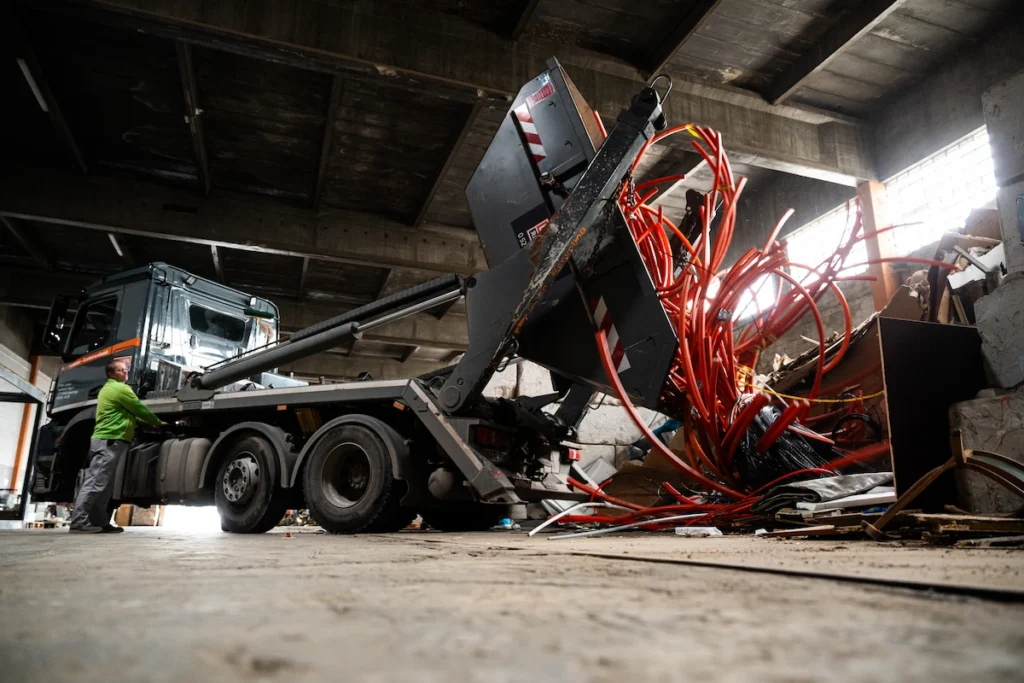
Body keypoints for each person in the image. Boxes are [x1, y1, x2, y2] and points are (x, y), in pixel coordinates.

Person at [68, 359, 166, 533]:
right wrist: (156, 421)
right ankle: (78, 522)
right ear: (111, 374)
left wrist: (151, 424)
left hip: (110, 441)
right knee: (96, 483)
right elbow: (138, 408)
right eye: (120, 370)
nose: (125, 372)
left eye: (125, 369)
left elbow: (131, 414)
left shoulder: (109, 389)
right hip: (109, 440)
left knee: (104, 485)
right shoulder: (120, 389)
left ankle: (100, 521)